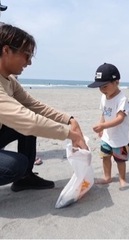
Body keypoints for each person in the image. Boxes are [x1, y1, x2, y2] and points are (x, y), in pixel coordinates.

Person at [0, 24, 88, 192]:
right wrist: (71, 135)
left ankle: (25, 179)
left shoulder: (10, 80)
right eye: (26, 55)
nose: (30, 62)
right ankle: (21, 172)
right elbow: (29, 121)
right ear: (6, 50)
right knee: (15, 165)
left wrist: (69, 119)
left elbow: (34, 106)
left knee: (29, 121)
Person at [88, 63, 129, 188]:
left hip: (120, 138)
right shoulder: (103, 97)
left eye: (105, 86)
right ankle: (107, 177)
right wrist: (102, 124)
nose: (102, 89)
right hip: (107, 136)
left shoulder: (122, 99)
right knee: (105, 157)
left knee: (120, 160)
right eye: (100, 87)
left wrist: (103, 126)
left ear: (116, 82)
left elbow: (120, 119)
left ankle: (122, 179)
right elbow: (104, 112)